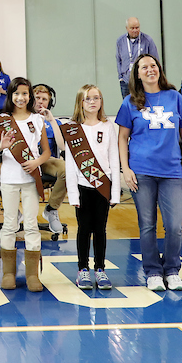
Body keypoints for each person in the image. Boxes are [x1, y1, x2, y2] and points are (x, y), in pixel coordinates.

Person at [117, 53, 182, 292]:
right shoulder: (130, 102)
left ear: (159, 69)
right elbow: (122, 137)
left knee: (174, 226)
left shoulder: (174, 97)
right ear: (137, 74)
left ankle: (172, 270)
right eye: (144, 67)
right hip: (142, 171)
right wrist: (126, 169)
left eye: (153, 66)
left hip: (171, 171)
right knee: (147, 224)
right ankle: (152, 271)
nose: (150, 70)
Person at [0, 77, 50, 291]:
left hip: (31, 178)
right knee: (10, 224)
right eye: (16, 93)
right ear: (10, 96)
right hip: (9, 178)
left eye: (25, 93)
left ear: (30, 96)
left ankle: (33, 274)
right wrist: (2, 146)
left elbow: (47, 152)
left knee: (32, 223)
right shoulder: (2, 120)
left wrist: (36, 162)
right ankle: (8, 272)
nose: (21, 97)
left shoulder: (37, 119)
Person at [59, 85, 120, 290]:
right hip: (83, 187)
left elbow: (114, 159)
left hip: (103, 186)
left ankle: (100, 269)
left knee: (100, 229)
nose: (92, 102)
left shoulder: (108, 126)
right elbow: (70, 163)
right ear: (80, 102)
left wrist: (115, 191)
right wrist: (73, 194)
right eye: (88, 99)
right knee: (84, 229)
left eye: (96, 98)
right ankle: (82, 269)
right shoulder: (73, 128)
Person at [31, 83, 66, 236]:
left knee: (67, 169)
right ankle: (14, 214)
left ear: (49, 103)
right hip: (25, 160)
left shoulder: (55, 123)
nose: (40, 102)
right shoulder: (22, 119)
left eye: (44, 99)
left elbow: (62, 147)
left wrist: (51, 121)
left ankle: (51, 209)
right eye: (37, 98)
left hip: (47, 161)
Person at [115, 17, 159, 98]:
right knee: (128, 106)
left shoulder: (147, 40)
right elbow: (119, 60)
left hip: (142, 81)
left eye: (137, 27)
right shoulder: (120, 41)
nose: (135, 30)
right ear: (127, 28)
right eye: (132, 28)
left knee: (142, 104)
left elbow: (155, 60)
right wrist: (120, 77)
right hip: (126, 81)